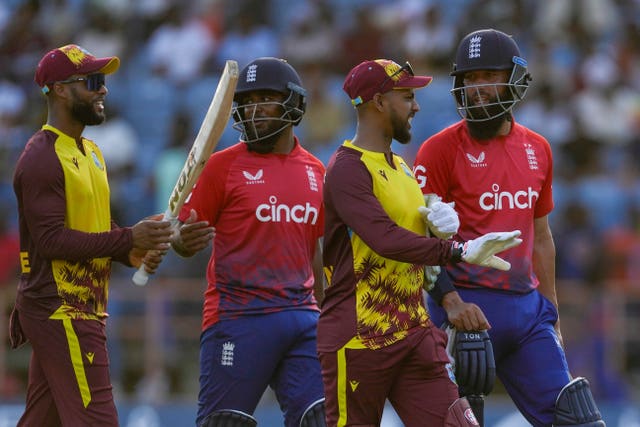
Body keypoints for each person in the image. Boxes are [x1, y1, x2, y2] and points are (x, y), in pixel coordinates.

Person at [413, 29, 606, 427]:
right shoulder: (438, 149)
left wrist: (551, 312)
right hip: (462, 313)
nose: (477, 87)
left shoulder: (538, 148)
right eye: (469, 78)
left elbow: (543, 236)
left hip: (527, 313)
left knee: (577, 421)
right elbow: (418, 244)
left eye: (488, 76)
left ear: (514, 79)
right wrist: (450, 305)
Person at [318, 58, 523, 427]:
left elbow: (413, 240)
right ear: (378, 102)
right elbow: (385, 239)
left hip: (414, 332)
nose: (416, 106)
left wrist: (434, 217)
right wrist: (458, 249)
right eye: (407, 96)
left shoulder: (402, 166)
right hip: (361, 337)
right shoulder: (347, 168)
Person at [8, 44, 176, 426]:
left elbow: (95, 230)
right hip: (63, 309)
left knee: (42, 420)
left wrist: (131, 249)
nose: (103, 90)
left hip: (80, 306)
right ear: (61, 90)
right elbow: (51, 241)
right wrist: (128, 240)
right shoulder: (40, 158)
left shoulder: (93, 153)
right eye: (93, 82)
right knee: (99, 420)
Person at [170, 57, 327, 427]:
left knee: (321, 420)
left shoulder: (316, 171)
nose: (253, 109)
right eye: (247, 101)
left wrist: (327, 313)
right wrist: (182, 241)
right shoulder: (221, 167)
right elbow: (180, 230)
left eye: (265, 99)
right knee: (223, 423)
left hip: (302, 318)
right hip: (239, 319)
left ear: (294, 103)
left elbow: (315, 251)